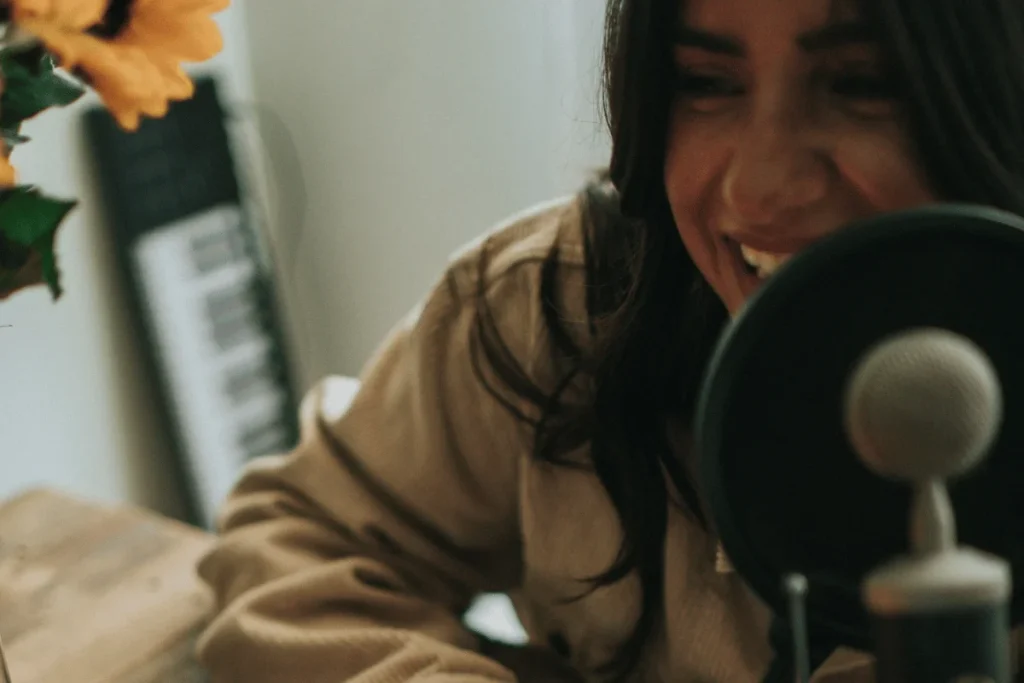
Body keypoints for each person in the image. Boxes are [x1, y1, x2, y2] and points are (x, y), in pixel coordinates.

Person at [195, 0, 1024, 681]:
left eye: (861, 82)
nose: (758, 184)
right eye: (704, 81)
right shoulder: (552, 304)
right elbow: (298, 538)